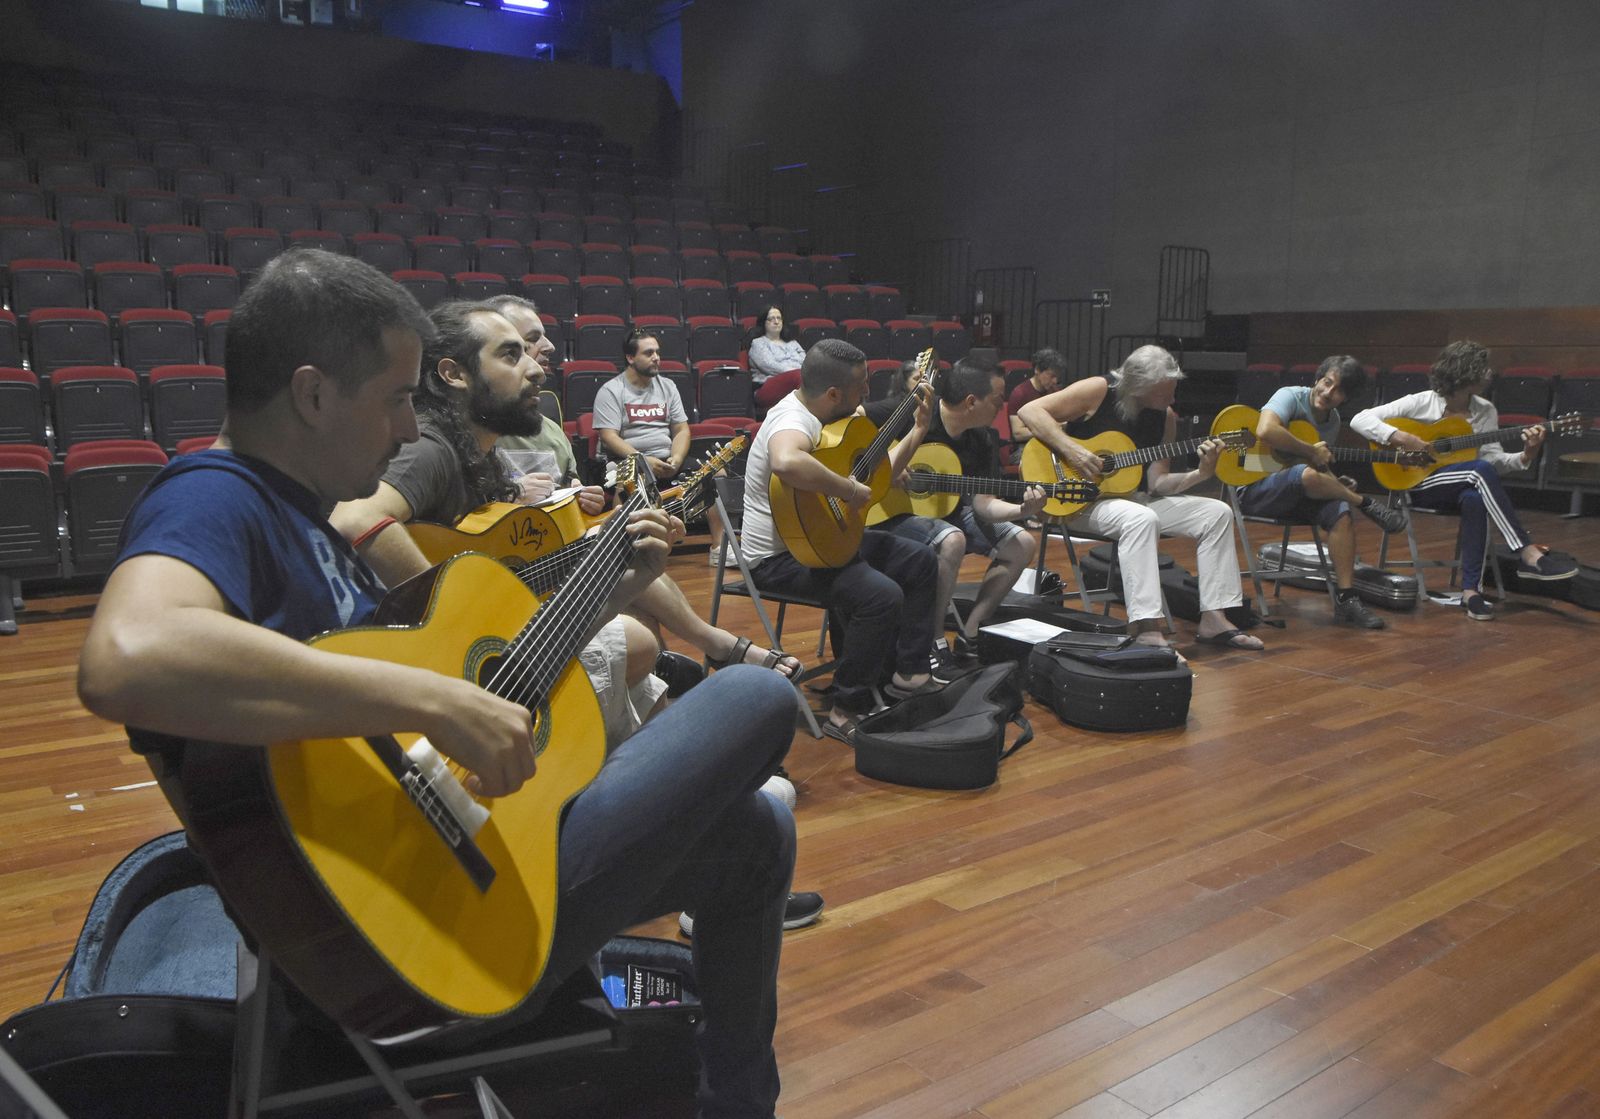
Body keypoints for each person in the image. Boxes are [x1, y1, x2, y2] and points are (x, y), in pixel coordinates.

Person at [75, 249, 798, 1116]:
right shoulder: (214, 496)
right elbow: (127, 654)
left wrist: (602, 592)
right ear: (312, 395)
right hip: (401, 938)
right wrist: (437, 700)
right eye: (395, 399)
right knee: (756, 695)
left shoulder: (304, 522)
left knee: (758, 831)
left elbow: (469, 682)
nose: (408, 430)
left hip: (436, 876)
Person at [327, 301, 809, 747]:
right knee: (645, 646)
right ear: (454, 374)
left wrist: (629, 567)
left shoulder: (478, 454)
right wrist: (454, 618)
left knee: (636, 633)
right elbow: (355, 519)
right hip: (420, 673)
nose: (537, 368)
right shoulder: (432, 448)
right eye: (511, 355)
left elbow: (513, 588)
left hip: (477, 653)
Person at [740, 338, 944, 741]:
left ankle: (910, 675)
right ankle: (845, 709)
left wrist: (919, 429)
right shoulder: (792, 419)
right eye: (860, 385)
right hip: (780, 559)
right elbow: (786, 460)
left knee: (920, 559)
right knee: (881, 596)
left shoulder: (837, 423)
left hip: (824, 540)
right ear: (833, 393)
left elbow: (876, 479)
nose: (868, 390)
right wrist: (847, 490)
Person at [1018, 344, 1266, 653]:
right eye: (1164, 393)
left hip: (1128, 499)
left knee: (1217, 512)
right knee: (1141, 518)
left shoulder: (1165, 418)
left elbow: (1158, 483)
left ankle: (1214, 618)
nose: (1171, 400)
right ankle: (1146, 626)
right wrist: (1074, 451)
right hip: (1077, 499)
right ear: (1137, 387)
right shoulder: (1099, 390)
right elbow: (1029, 412)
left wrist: (1201, 474)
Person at [1349, 339, 1574, 620]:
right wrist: (1401, 437)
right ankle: (1527, 552)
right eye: (1483, 368)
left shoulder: (1485, 410)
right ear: (1465, 373)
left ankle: (1471, 592)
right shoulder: (1423, 402)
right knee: (1478, 471)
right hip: (1417, 483)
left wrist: (1527, 454)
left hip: (1462, 482)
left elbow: (1493, 461)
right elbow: (1359, 419)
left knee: (1475, 496)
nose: (1489, 373)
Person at [879, 357, 1046, 672]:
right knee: (952, 539)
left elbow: (983, 504)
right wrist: (888, 464)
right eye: (997, 400)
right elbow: (855, 428)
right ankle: (933, 639)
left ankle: (971, 632)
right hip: (891, 515)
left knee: (1022, 544)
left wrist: (1022, 509)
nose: (1002, 407)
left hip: (951, 515)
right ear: (971, 401)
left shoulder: (983, 439)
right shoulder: (914, 413)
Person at [1236, 355, 1408, 629]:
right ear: (1317, 379)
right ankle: (1364, 502)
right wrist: (1309, 451)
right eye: (1327, 382)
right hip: (1255, 488)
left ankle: (1346, 599)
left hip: (1297, 490)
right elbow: (1266, 430)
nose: (1328, 392)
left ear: (1345, 398)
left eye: (1338, 390)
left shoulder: (1333, 420)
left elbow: (1315, 464)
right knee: (1306, 475)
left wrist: (1335, 481)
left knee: (1340, 511)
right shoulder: (1290, 396)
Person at [482, 293, 579, 502]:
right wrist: (511, 496)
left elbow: (571, 492)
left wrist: (582, 501)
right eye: (532, 339)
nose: (550, 346)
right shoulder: (460, 434)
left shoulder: (554, 433)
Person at [593, 329, 690, 482]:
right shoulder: (611, 391)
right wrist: (643, 461)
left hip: (666, 460)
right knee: (632, 482)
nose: (656, 358)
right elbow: (608, 437)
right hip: (628, 462)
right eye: (649, 353)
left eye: (657, 352)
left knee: (716, 474)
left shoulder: (668, 387)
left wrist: (677, 459)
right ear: (630, 358)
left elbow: (681, 430)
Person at [1007, 348, 1066, 442]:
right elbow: (1018, 433)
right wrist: (1049, 430)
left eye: (1057, 377)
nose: (1055, 381)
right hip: (1026, 445)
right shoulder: (1019, 394)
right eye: (1051, 376)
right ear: (1037, 370)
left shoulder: (1055, 392)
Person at [747, 305, 805, 385]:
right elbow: (770, 366)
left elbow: (806, 362)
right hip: (771, 384)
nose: (776, 322)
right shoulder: (758, 343)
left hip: (799, 381)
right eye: (771, 319)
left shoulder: (792, 342)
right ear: (763, 322)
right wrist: (798, 373)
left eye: (779, 318)